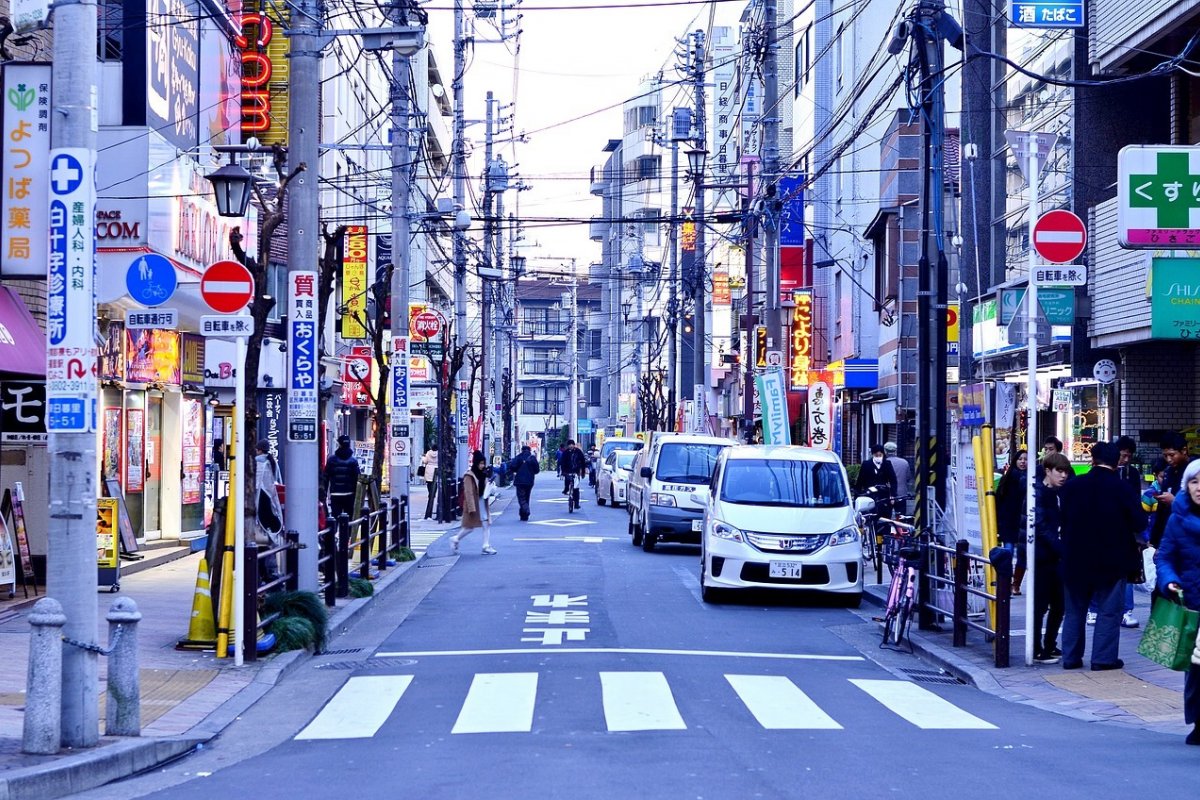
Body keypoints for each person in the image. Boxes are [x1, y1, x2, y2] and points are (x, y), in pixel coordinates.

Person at [1058, 441, 1145, 671]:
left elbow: (1062, 519)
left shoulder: (1073, 486)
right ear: (1117, 463)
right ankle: (1103, 659)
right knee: (1109, 611)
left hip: (1075, 557)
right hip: (1113, 560)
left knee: (1074, 611)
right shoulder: (1122, 489)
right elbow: (1139, 522)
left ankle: (1070, 658)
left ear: (1093, 460)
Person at [1154, 458, 1200, 746]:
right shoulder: (1177, 519)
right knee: (1195, 668)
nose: (1199, 487)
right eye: (1194, 481)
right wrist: (1169, 580)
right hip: (1192, 605)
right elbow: (1165, 557)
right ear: (1186, 486)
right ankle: (1198, 721)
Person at [1032, 452, 1070, 663]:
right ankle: (1036, 647)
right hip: (1042, 557)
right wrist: (1061, 548)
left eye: (1065, 472)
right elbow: (1041, 527)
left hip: (1056, 557)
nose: (1063, 476)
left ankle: (1049, 644)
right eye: (1059, 471)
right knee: (1040, 605)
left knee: (1059, 604)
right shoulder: (1038, 493)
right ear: (1048, 471)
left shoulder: (1060, 493)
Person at [1151, 433, 1197, 548]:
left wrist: (1174, 501)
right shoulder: (1168, 472)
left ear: (1184, 451)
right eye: (1165, 455)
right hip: (1170, 536)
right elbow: (1161, 512)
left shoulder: (1195, 470)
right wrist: (1154, 541)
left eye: (1172, 455)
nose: (1169, 460)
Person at [995, 448, 1029, 596]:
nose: (1023, 462)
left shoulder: (1032, 478)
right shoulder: (1008, 478)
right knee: (1008, 552)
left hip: (1023, 521)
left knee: (1022, 554)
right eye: (1020, 459)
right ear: (1015, 461)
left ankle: (1015, 584)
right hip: (1009, 520)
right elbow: (999, 499)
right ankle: (1007, 582)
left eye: (1025, 459)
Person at [451, 450, 497, 555]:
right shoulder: (469, 475)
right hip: (474, 504)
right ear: (476, 463)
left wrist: (490, 486)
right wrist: (471, 508)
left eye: (483, 463)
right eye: (480, 463)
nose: (482, 465)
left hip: (482, 502)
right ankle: (455, 538)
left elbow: (485, 487)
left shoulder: (483, 474)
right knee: (469, 527)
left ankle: (486, 545)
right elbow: (468, 493)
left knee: (486, 523)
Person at [254, 440, 284, 579]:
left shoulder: (256, 463)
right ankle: (271, 572)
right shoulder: (272, 462)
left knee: (258, 542)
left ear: (259, 450)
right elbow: (278, 481)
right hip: (271, 504)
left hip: (258, 505)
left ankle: (261, 573)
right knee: (270, 540)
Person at [323, 435, 361, 518]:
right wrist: (356, 494)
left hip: (335, 493)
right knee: (349, 519)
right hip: (349, 494)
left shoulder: (331, 460)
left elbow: (325, 477)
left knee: (335, 518)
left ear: (339, 444)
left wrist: (324, 492)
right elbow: (357, 478)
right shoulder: (353, 461)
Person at [507, 445, 541, 521]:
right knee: (526, 497)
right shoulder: (532, 458)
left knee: (521, 497)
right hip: (529, 481)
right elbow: (537, 470)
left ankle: (526, 509)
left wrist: (517, 470)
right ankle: (524, 515)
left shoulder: (518, 457)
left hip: (520, 480)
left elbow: (512, 467)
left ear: (522, 450)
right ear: (529, 450)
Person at [883, 442, 910, 513]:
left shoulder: (883, 463)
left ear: (885, 451)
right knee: (901, 516)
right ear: (895, 451)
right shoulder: (904, 462)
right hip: (902, 494)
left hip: (886, 495)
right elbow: (908, 478)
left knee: (885, 517)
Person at [421, 445, 439, 520]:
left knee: (429, 485)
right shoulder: (439, 453)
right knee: (435, 487)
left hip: (429, 471)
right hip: (436, 470)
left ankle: (430, 495)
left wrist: (423, 457)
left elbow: (425, 461)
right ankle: (432, 495)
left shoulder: (428, 453)